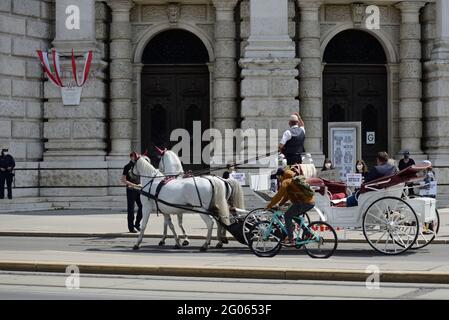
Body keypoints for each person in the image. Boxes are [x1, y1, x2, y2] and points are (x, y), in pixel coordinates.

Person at [266, 169, 315, 246]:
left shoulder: (286, 182)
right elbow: (287, 196)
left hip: (304, 203)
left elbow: (279, 195)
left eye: (278, 177)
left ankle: (290, 239)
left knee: (287, 216)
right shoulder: (292, 180)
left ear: (280, 176)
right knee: (294, 216)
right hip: (307, 202)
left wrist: (269, 205)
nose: (278, 179)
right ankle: (308, 233)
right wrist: (280, 205)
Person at [121, 152, 143, 233]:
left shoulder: (139, 166)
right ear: (131, 157)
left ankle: (137, 224)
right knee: (131, 209)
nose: (136, 158)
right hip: (130, 189)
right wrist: (133, 185)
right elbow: (123, 180)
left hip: (138, 189)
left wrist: (141, 185)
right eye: (135, 157)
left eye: (137, 157)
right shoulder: (127, 166)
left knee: (142, 206)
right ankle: (131, 228)